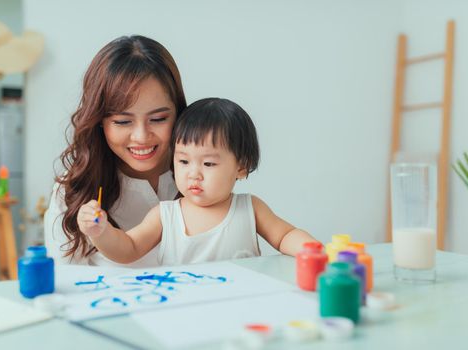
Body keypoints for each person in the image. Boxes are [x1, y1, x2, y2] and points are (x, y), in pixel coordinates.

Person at [79, 98, 317, 265]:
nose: (194, 174)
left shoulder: (250, 208)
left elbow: (286, 236)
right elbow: (128, 249)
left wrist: (317, 252)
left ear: (241, 167)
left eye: (208, 164)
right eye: (183, 162)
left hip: (240, 309)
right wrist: (100, 232)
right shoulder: (165, 215)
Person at [44, 35, 186, 266]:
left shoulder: (205, 175)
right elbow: (65, 287)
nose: (141, 136)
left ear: (179, 113)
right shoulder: (71, 194)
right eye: (122, 121)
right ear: (99, 121)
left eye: (158, 118)